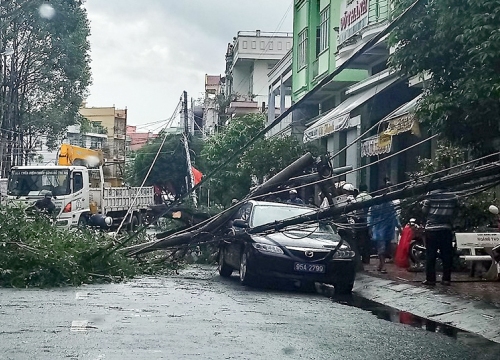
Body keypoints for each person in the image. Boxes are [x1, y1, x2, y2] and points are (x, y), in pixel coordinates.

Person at [421, 189, 458, 286]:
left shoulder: (430, 195)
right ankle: (446, 279)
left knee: (430, 255)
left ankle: (431, 279)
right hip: (446, 229)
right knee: (446, 255)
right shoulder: (452, 196)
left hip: (432, 229)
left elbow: (424, 211)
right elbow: (455, 210)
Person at [368, 185, 401, 273]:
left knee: (384, 247)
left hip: (387, 227)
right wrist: (370, 227)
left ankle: (381, 264)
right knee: (382, 247)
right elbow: (370, 216)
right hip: (380, 228)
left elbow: (394, 215)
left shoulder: (389, 202)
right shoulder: (376, 202)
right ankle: (383, 265)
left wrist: (398, 225)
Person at [355, 184, 372, 264]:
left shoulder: (358, 197)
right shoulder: (370, 197)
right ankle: (366, 258)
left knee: (359, 239)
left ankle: (359, 257)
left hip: (360, 221)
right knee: (367, 240)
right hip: (368, 221)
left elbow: (356, 209)